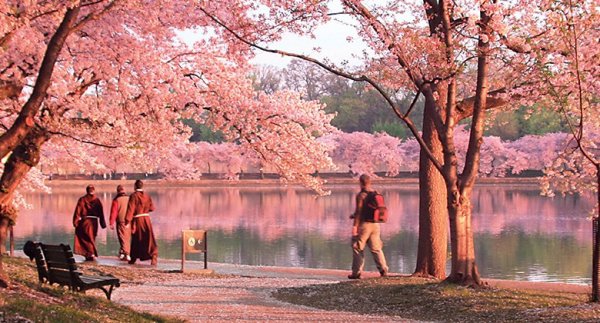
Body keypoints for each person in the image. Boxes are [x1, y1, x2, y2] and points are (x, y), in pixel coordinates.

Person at [348, 174, 389, 279]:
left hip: (364, 225)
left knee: (357, 247)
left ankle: (356, 273)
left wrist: (355, 227)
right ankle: (383, 269)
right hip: (375, 225)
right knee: (376, 248)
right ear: (370, 182)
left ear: (360, 182)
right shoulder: (375, 193)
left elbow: (359, 212)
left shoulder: (361, 195)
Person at [125, 180, 158, 265]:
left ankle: (133, 257)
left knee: (137, 238)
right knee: (149, 238)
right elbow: (152, 208)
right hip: (146, 219)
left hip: (138, 220)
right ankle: (153, 255)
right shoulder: (147, 196)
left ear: (135, 186)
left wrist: (127, 220)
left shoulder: (133, 196)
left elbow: (131, 208)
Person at [73, 184, 106, 261]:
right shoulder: (97, 200)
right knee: (91, 238)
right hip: (94, 222)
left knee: (85, 237)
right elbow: (101, 212)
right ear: (93, 191)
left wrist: (75, 221)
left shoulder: (82, 199)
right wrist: (102, 223)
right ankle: (90, 253)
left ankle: (90, 253)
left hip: (85, 222)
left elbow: (78, 211)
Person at [109, 185, 131, 261]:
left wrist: (111, 222)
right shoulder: (129, 198)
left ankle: (126, 253)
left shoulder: (116, 200)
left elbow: (114, 212)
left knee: (122, 237)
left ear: (118, 191)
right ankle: (122, 252)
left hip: (121, 220)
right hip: (129, 221)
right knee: (127, 237)